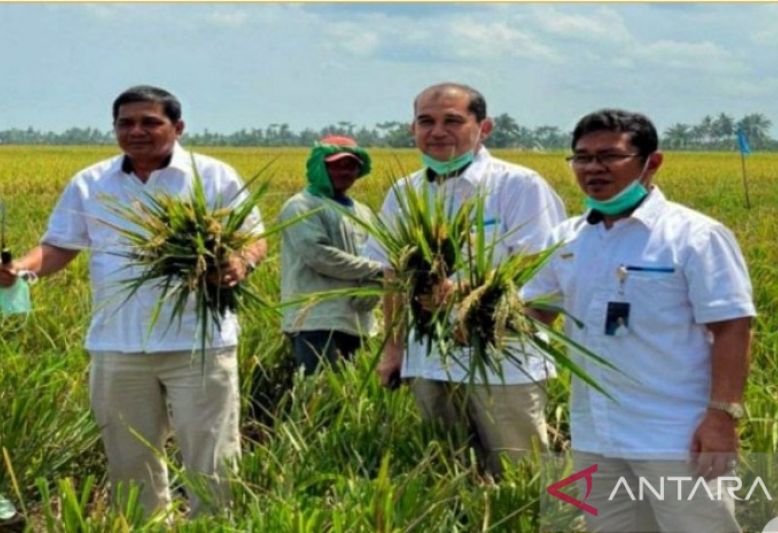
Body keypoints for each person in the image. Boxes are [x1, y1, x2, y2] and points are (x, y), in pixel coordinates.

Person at [0, 85, 266, 517]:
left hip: (198, 342)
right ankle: (144, 526)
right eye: (126, 123)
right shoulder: (90, 183)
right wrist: (21, 271)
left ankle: (213, 526)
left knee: (212, 456)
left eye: (150, 122)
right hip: (117, 344)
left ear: (177, 127)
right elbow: (59, 245)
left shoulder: (213, 176)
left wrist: (238, 264)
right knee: (129, 461)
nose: (136, 131)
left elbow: (254, 238)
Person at [522, 109, 755, 532]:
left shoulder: (695, 236)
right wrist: (465, 305)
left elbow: (732, 327)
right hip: (596, 432)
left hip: (675, 434)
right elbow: (535, 312)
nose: (594, 168)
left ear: (652, 162)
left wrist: (722, 418)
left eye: (610, 156)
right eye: (582, 157)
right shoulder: (567, 239)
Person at [366, 82, 567, 476]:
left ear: (484, 128)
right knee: (449, 470)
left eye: (452, 121)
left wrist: (467, 293)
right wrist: (393, 350)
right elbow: (392, 278)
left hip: (504, 361)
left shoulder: (518, 185)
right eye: (426, 121)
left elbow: (541, 269)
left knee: (520, 473)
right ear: (413, 129)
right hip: (428, 362)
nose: (437, 131)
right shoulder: (403, 193)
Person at [279, 135, 383, 374]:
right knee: (321, 393)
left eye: (351, 165)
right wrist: (378, 271)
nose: (344, 171)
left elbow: (381, 255)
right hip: (316, 320)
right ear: (319, 167)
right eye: (335, 165)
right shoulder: (302, 206)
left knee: (354, 396)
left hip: (358, 321)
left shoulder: (364, 212)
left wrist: (374, 286)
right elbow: (320, 256)